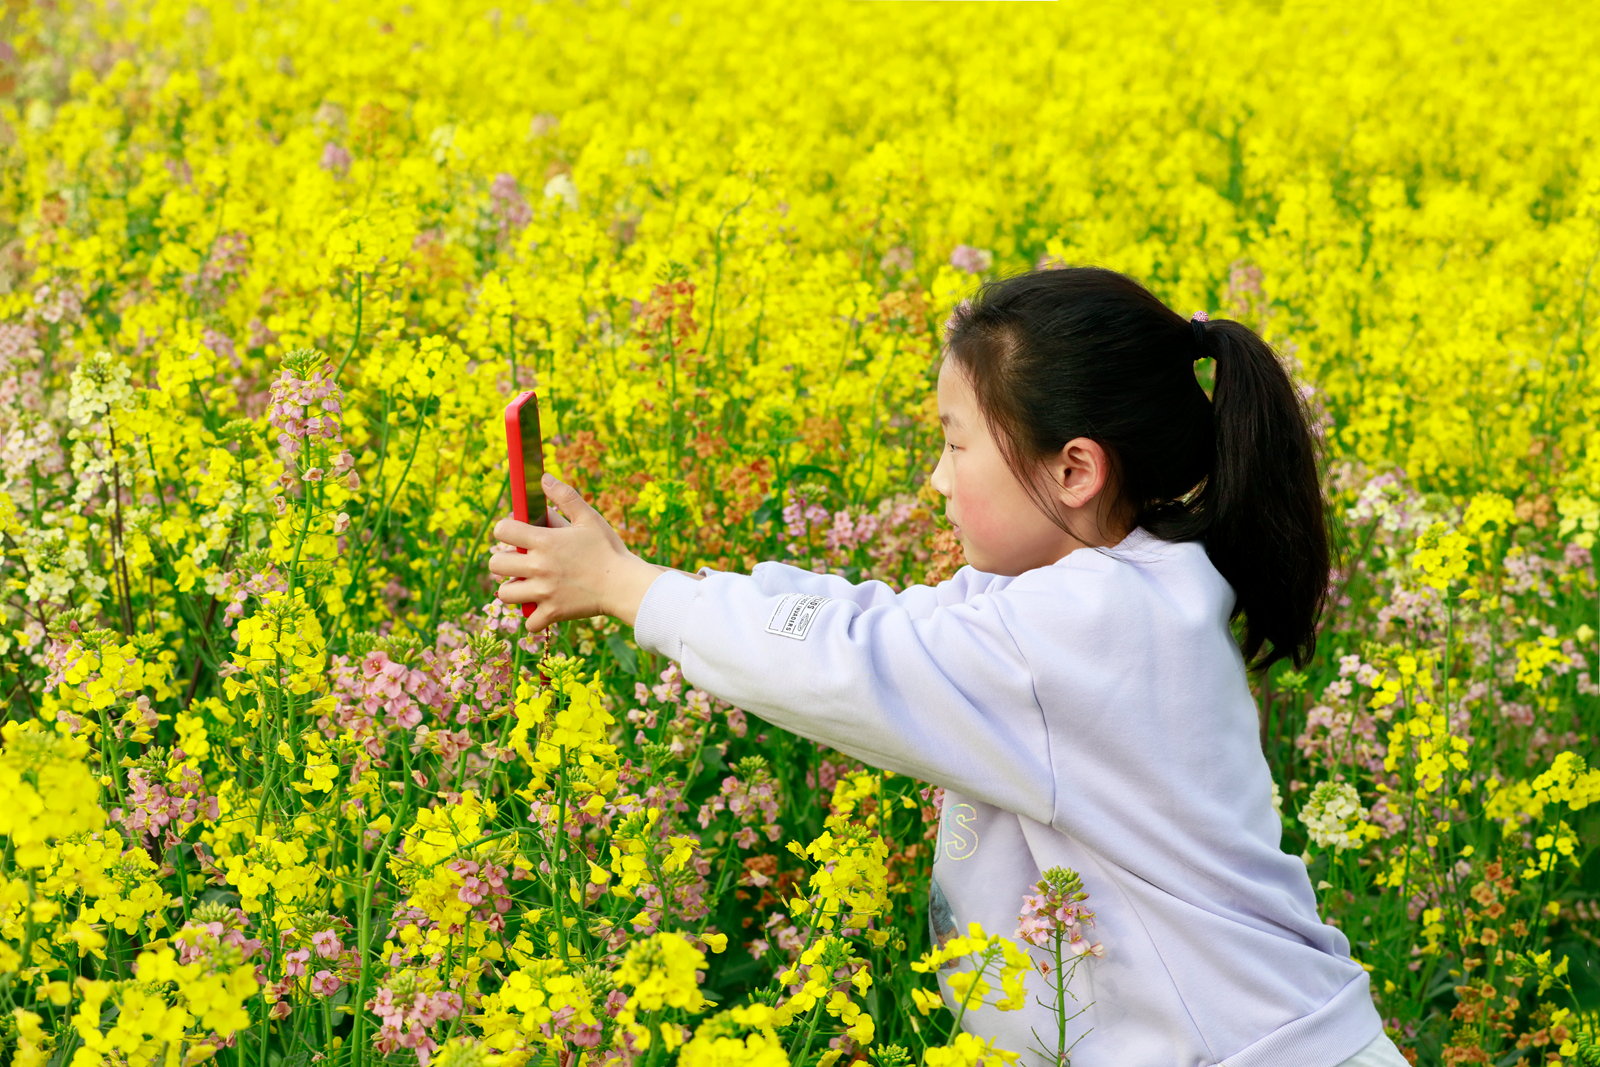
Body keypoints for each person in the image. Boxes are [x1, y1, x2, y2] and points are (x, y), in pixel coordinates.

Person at [488, 266, 1410, 1067]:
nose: (936, 477)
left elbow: (846, 664)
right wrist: (646, 580)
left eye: (956, 442)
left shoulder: (1090, 625)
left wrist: (631, 589)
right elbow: (868, 622)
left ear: (1075, 469)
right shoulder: (1114, 592)